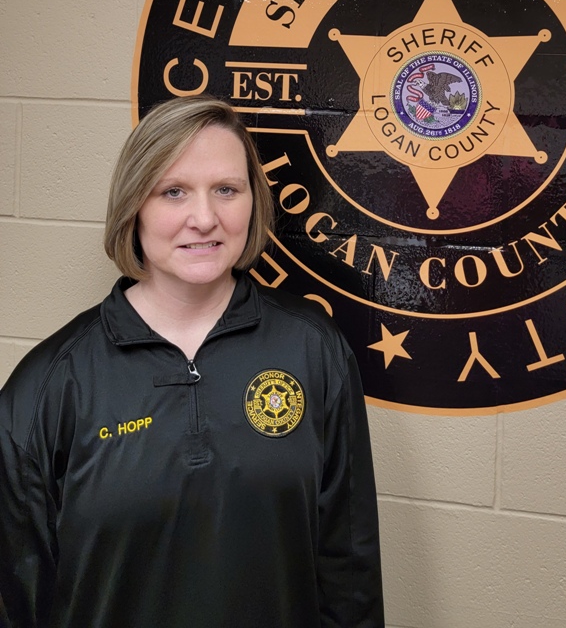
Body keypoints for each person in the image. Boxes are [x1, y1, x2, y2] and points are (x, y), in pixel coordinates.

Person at [0, 96, 384, 628]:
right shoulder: (49, 383)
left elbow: (349, 574)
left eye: (226, 190)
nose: (204, 219)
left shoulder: (313, 348)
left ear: (253, 202)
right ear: (134, 205)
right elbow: (16, 597)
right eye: (173, 191)